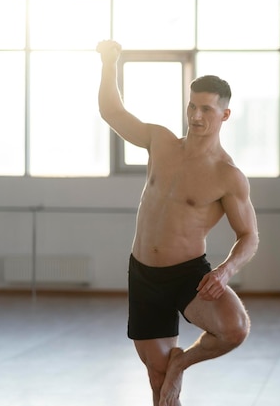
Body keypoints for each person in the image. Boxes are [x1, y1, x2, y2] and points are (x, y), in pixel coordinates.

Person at [96, 40, 259, 406]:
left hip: (188, 275)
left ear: (225, 115)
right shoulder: (160, 141)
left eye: (206, 109)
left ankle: (181, 363)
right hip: (143, 274)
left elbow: (249, 236)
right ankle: (171, 374)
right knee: (158, 381)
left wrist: (225, 271)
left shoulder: (227, 175)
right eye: (192, 106)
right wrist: (110, 62)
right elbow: (112, 112)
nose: (196, 116)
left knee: (234, 329)